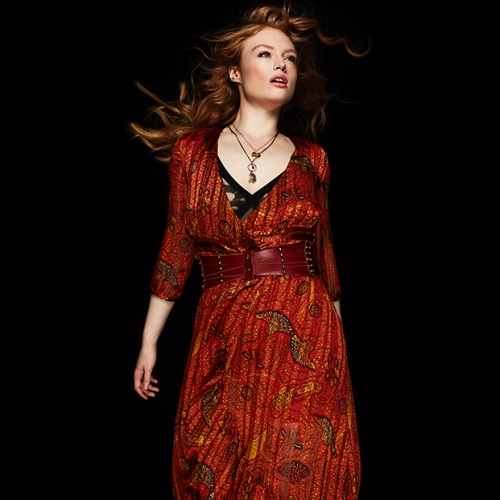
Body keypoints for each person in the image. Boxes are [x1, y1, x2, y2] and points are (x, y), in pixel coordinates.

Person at [131, 2, 368, 498]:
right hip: (222, 328)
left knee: (298, 475)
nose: (282, 64)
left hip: (304, 331)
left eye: (290, 58)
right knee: (213, 465)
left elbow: (327, 263)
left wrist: (338, 358)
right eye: (265, 53)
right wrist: (149, 342)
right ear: (235, 72)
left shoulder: (314, 160)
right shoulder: (192, 153)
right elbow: (176, 247)